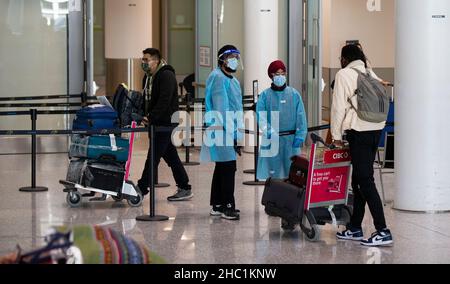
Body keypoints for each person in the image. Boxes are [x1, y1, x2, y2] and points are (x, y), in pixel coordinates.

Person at [332, 44, 393, 247]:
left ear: (344, 58)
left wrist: (336, 136)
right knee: (358, 179)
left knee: (365, 180)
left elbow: (338, 107)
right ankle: (355, 227)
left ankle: (383, 230)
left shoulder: (344, 74)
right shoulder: (368, 71)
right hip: (376, 129)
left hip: (359, 131)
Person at [138, 48, 193, 202]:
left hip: (165, 123)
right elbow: (146, 99)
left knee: (153, 157)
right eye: (142, 59)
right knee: (171, 156)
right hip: (156, 123)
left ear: (156, 61)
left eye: (146, 59)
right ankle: (184, 187)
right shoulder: (148, 77)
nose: (143, 62)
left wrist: (151, 117)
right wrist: (143, 114)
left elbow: (164, 100)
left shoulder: (166, 75)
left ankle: (141, 189)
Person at [200, 45, 244, 221]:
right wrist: (234, 135)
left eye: (236, 57)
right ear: (222, 59)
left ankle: (217, 204)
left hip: (229, 129)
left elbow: (236, 108)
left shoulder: (232, 80)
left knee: (222, 166)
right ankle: (227, 206)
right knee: (228, 167)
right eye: (231, 57)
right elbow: (222, 110)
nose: (234, 60)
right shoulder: (217, 78)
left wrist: (238, 133)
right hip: (220, 129)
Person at [256, 60, 308, 180]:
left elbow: (301, 116)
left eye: (283, 73)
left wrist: (300, 135)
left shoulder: (294, 94)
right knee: (272, 176)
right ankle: (273, 198)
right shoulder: (264, 96)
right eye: (277, 74)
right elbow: (261, 117)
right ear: (271, 75)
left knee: (293, 175)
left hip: (290, 141)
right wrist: (269, 132)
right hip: (271, 141)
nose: (280, 76)